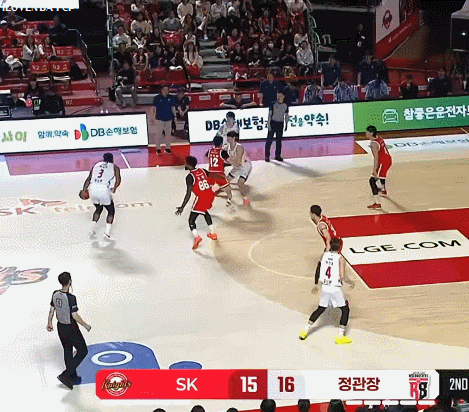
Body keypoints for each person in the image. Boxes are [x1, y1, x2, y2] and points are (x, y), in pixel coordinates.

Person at [299, 238, 354, 344]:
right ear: (340, 247)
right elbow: (342, 277)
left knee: (320, 309)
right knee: (345, 310)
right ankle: (340, 337)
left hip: (325, 287)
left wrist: (316, 284)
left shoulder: (324, 255)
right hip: (335, 288)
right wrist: (351, 282)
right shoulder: (340, 259)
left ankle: (305, 330)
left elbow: (318, 269)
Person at [47, 271, 91, 390]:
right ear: (70, 282)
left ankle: (72, 376)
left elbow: (52, 309)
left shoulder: (55, 294)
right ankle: (66, 374)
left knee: (67, 350)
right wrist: (85, 325)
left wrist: (49, 322)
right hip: (71, 328)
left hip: (60, 327)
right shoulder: (71, 298)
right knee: (83, 350)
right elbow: (75, 315)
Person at [175, 156, 219, 250]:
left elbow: (188, 194)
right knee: (205, 212)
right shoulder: (203, 170)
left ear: (189, 165)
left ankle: (197, 237)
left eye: (186, 163)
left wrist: (182, 207)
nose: (185, 164)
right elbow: (213, 176)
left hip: (201, 198)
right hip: (210, 195)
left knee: (191, 220)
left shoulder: (190, 177)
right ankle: (213, 233)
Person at [81, 153, 122, 240]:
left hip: (93, 188)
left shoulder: (96, 165)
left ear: (103, 158)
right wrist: (114, 188)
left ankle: (92, 229)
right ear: (112, 158)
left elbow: (89, 178)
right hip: (104, 189)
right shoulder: (115, 167)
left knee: (98, 209)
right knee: (111, 211)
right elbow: (118, 180)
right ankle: (107, 233)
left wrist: (84, 189)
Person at [366, 125, 392, 209]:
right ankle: (383, 189)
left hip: (383, 162)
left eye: (367, 132)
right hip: (387, 160)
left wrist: (374, 170)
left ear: (371, 133)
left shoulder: (373, 143)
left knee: (372, 181)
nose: (366, 133)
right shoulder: (379, 138)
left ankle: (377, 203)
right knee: (380, 177)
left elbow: (376, 158)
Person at [226, 131, 252, 206]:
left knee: (240, 183)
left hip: (245, 166)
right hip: (237, 166)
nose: (227, 138)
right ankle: (228, 195)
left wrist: (226, 160)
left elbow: (237, 162)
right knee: (226, 181)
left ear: (234, 138)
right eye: (227, 137)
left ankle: (246, 198)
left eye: (229, 137)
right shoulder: (227, 147)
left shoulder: (239, 147)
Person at [207, 135, 232, 207]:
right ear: (221, 143)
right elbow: (230, 161)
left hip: (210, 174)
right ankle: (229, 200)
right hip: (219, 175)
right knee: (229, 191)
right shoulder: (222, 152)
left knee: (210, 190)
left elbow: (209, 159)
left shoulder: (209, 151)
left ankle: (207, 201)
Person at [265, 90, 289, 162]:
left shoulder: (285, 105)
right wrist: (269, 124)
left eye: (280, 96)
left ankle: (277, 155)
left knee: (279, 140)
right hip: (273, 122)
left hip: (280, 123)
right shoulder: (273, 104)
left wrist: (286, 124)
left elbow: (286, 115)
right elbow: (269, 115)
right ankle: (267, 155)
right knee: (269, 140)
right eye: (277, 95)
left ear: (283, 96)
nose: (278, 97)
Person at [152, 85, 177, 154]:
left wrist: (175, 116)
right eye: (164, 89)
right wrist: (152, 117)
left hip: (168, 118)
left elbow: (173, 107)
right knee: (159, 134)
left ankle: (168, 148)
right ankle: (158, 148)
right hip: (159, 118)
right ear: (161, 90)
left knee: (168, 134)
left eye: (167, 89)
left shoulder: (171, 97)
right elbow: (154, 108)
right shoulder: (157, 98)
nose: (166, 91)